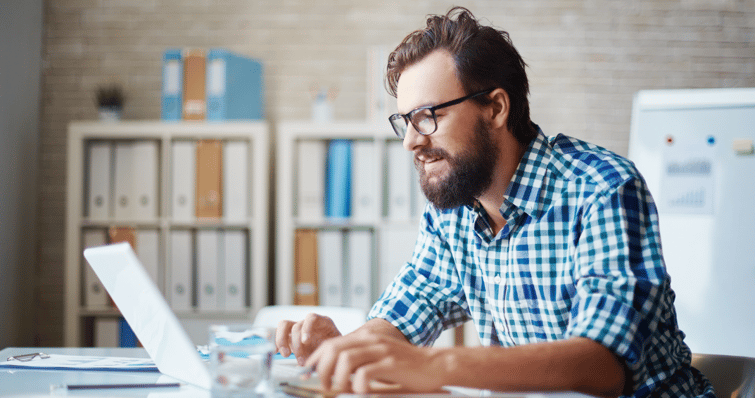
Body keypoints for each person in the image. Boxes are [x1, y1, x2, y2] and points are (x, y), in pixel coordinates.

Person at [276, 6, 714, 398]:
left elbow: (603, 367)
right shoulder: (454, 208)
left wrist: (435, 367)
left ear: (496, 108)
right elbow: (407, 313)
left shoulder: (603, 187)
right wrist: (348, 348)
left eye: (429, 116)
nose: (410, 142)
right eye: (405, 121)